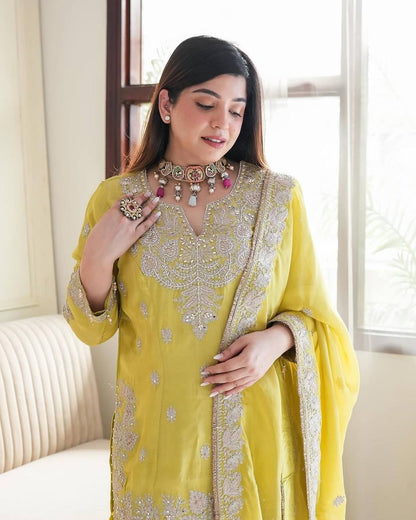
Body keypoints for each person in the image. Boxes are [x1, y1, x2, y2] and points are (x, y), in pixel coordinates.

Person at [64, 35, 359, 520]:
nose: (223, 122)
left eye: (237, 111)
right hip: (158, 448)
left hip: (253, 439)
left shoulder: (276, 199)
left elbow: (317, 317)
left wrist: (277, 340)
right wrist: (95, 260)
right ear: (166, 104)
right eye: (206, 104)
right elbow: (90, 329)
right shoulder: (116, 200)